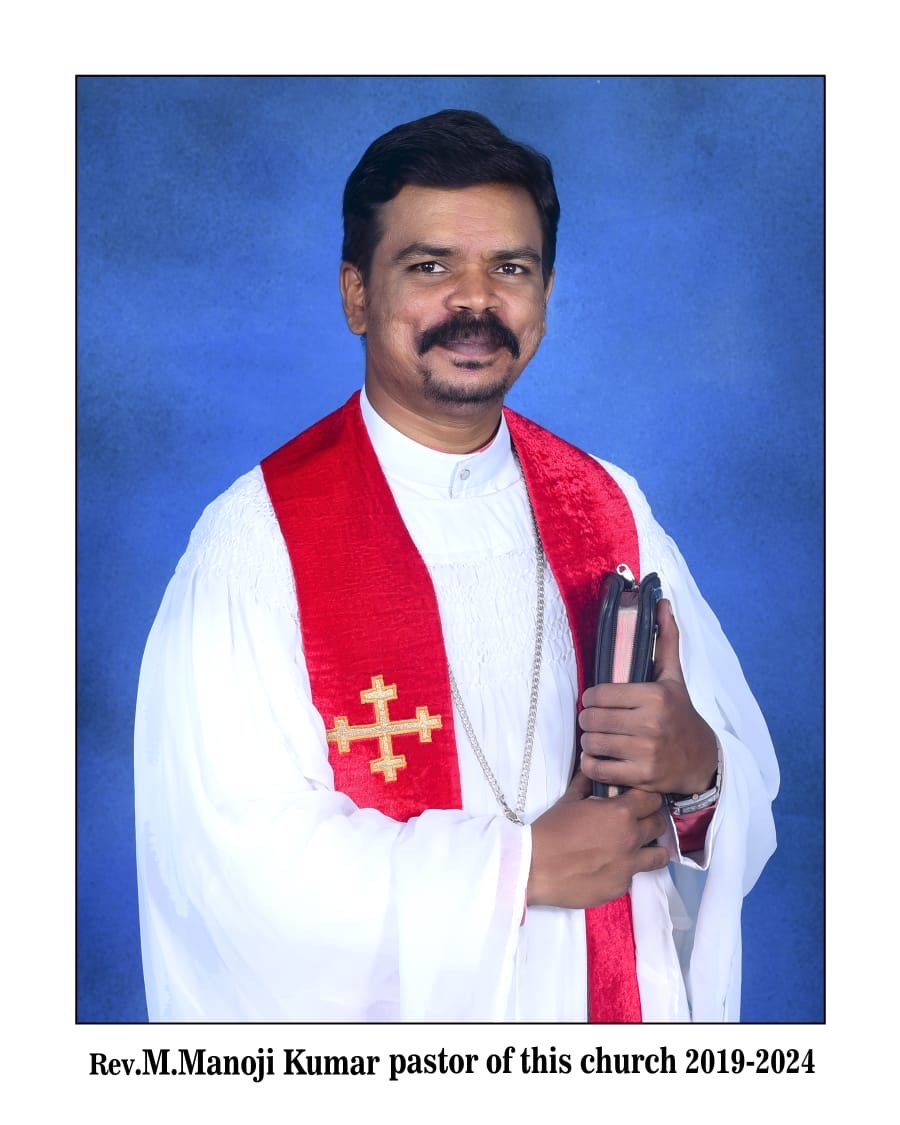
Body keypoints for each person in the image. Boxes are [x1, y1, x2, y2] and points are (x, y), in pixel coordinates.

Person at [134, 109, 778, 1023]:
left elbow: (732, 786)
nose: (475, 302)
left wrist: (697, 767)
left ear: (545, 294)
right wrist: (521, 869)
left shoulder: (608, 506)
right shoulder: (257, 541)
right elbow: (232, 868)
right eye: (430, 266)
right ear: (357, 294)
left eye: (510, 268)